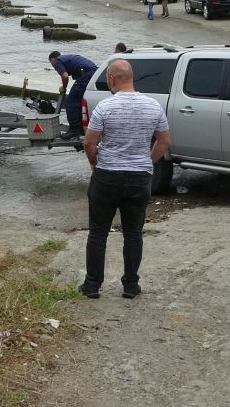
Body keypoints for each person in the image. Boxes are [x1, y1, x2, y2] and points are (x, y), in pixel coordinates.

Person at [79, 59, 170, 299]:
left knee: (98, 232)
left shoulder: (104, 107)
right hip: (139, 178)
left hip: (107, 176)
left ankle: (92, 285)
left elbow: (90, 142)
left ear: (111, 79)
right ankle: (130, 285)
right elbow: (163, 141)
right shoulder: (154, 106)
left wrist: (94, 162)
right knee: (133, 233)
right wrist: (147, 162)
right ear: (131, 77)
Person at [49, 51, 97, 138]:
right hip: (93, 72)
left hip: (86, 75)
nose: (53, 66)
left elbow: (65, 76)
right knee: (78, 102)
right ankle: (80, 129)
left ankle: (74, 130)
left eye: (51, 63)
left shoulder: (57, 61)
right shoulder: (67, 58)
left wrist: (64, 88)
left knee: (71, 103)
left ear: (52, 59)